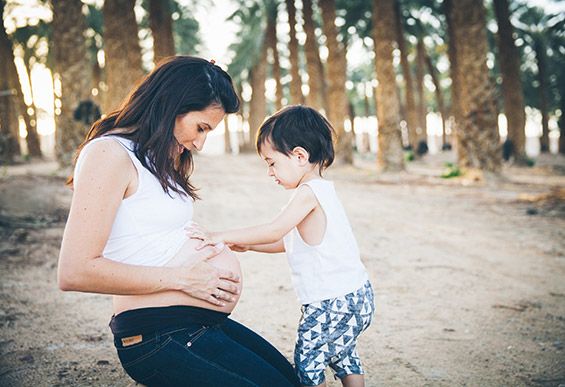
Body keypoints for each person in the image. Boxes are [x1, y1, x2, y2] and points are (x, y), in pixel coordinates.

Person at [58, 56, 300, 387]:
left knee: (290, 382)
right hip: (156, 336)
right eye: (201, 128)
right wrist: (182, 279)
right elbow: (74, 271)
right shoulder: (109, 154)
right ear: (171, 104)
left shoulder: (158, 157)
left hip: (193, 324)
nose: (200, 143)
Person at [187, 105, 375, 387]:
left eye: (272, 162)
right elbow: (286, 242)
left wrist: (221, 235)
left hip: (330, 301)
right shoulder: (324, 190)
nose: (270, 172)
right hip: (356, 295)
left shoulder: (307, 194)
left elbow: (274, 229)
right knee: (342, 353)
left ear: (300, 156)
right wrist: (248, 246)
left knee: (308, 360)